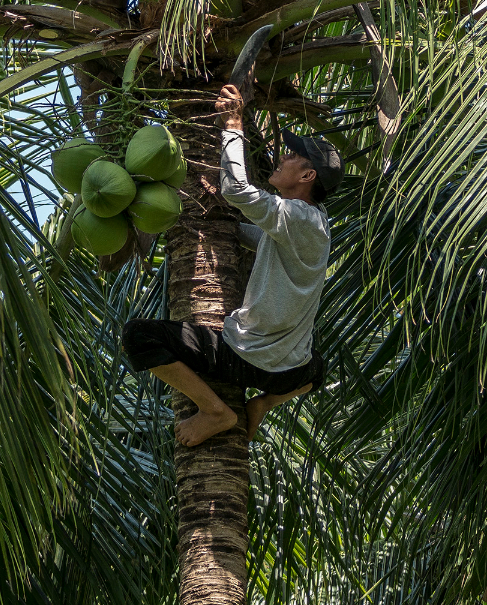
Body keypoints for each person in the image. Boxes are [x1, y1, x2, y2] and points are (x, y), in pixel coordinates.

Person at [121, 83, 341, 446]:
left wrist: (233, 125)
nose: (282, 157)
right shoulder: (313, 222)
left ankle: (215, 411)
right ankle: (263, 405)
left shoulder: (300, 217)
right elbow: (264, 241)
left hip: (244, 357)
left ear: (307, 176)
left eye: (292, 157)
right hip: (287, 372)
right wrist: (222, 225)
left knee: (138, 337)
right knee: (316, 368)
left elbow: (237, 191)